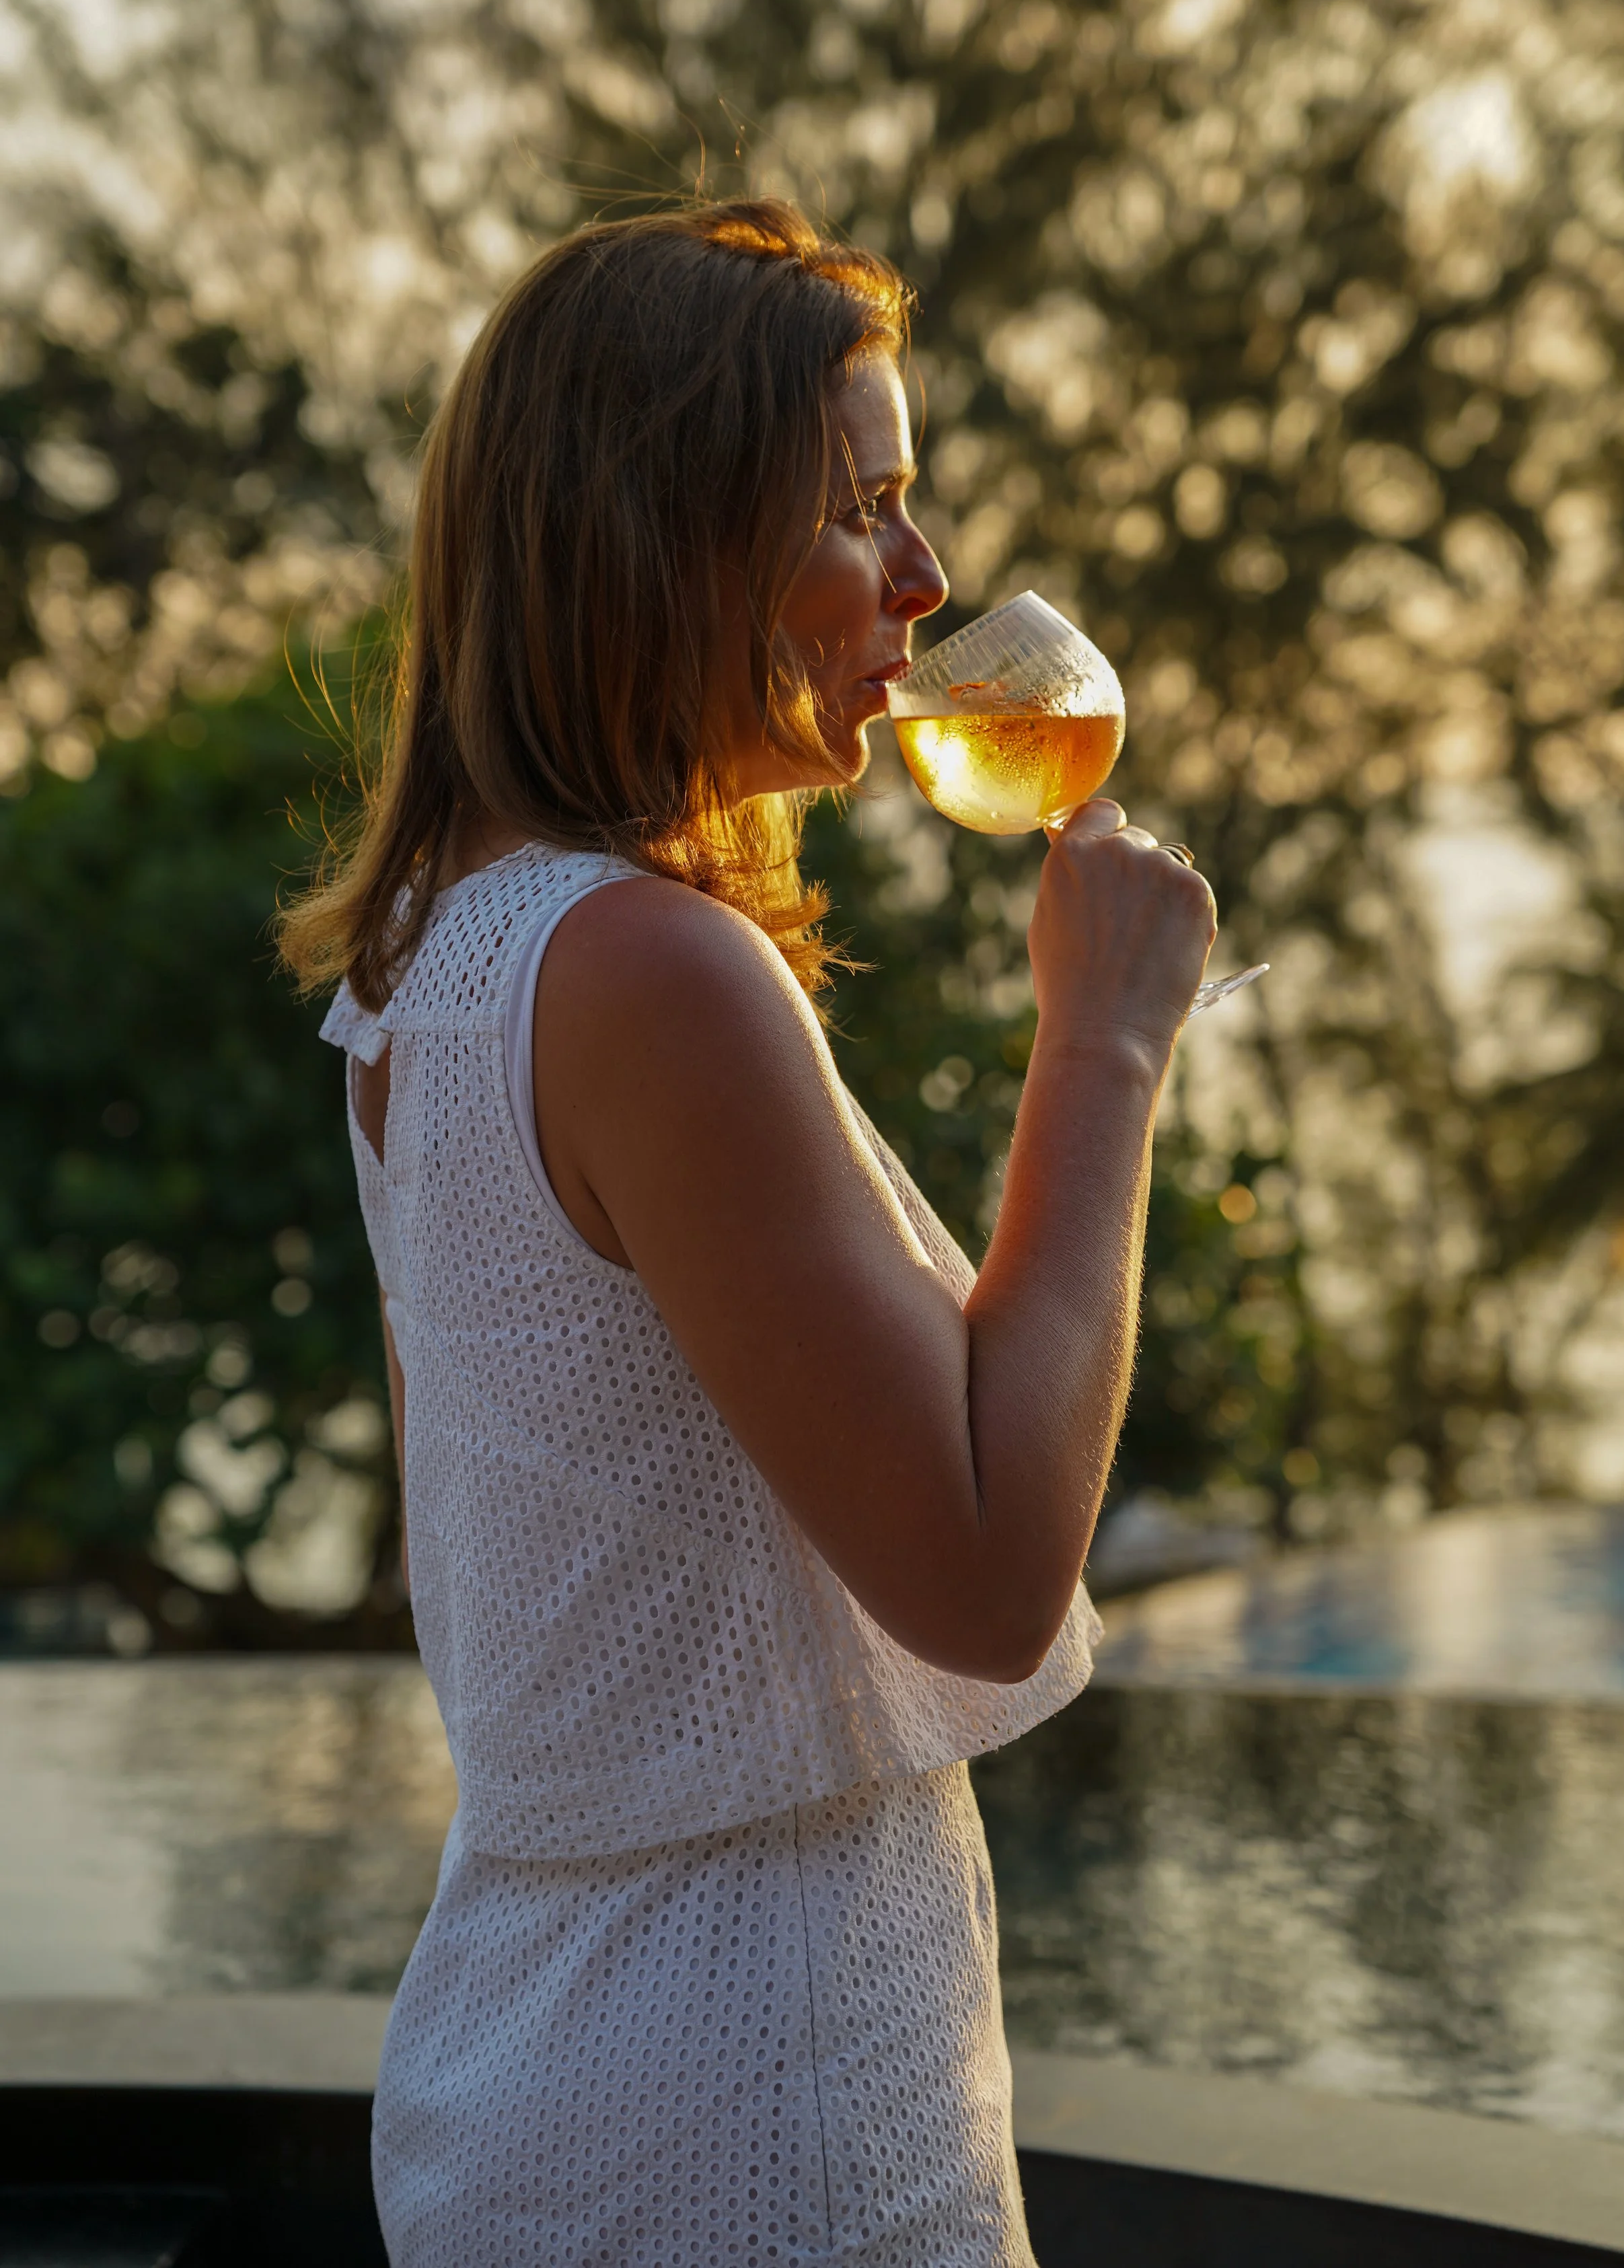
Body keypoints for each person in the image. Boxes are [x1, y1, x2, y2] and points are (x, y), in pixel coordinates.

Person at [280, 196, 1215, 2267]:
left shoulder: (437, 960)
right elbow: (980, 1570)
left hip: (549, 2053)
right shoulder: (647, 976)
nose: (928, 575)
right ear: (660, 543)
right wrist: (1107, 1051)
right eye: (854, 505)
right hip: (744, 2114)